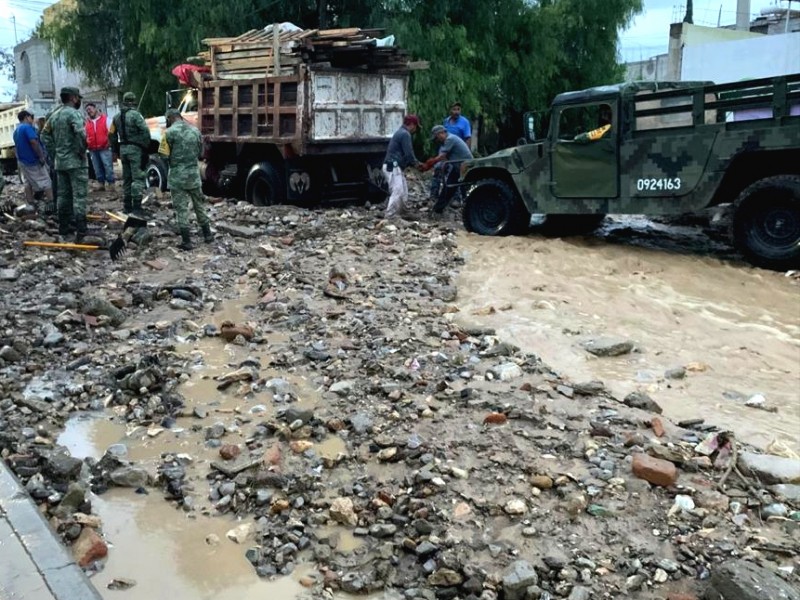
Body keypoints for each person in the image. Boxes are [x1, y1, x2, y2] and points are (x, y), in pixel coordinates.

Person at [158, 108, 213, 250]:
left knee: (181, 208)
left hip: (177, 177)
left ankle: (187, 241)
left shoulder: (169, 133)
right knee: (199, 205)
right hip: (194, 175)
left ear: (170, 118)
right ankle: (208, 235)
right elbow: (201, 153)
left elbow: (163, 155)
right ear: (180, 117)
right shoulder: (195, 131)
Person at [40, 87, 89, 240]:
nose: (79, 100)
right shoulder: (74, 114)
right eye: (78, 98)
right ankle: (81, 230)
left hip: (60, 163)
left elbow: (44, 135)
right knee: (79, 195)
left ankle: (63, 228)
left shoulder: (54, 115)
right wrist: (81, 150)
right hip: (76, 162)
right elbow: (81, 133)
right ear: (73, 98)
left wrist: (55, 153)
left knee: (63, 195)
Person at [109, 91, 150, 214]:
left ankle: (127, 206)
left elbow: (111, 134)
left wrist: (115, 150)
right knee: (137, 178)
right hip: (135, 150)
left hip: (123, 150)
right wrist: (145, 147)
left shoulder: (116, 117)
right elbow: (145, 131)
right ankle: (137, 207)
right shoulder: (136, 115)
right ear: (133, 102)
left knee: (127, 178)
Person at [420, 125, 473, 216]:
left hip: (465, 167)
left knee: (463, 190)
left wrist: (428, 165)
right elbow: (446, 157)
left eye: (436, 138)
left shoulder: (450, 139)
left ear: (441, 133)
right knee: (449, 188)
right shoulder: (449, 140)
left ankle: (470, 213)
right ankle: (437, 210)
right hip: (459, 166)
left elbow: (441, 156)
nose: (437, 140)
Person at [382, 114, 422, 220]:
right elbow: (409, 153)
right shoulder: (405, 134)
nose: (415, 130)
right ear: (412, 125)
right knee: (398, 190)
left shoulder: (400, 132)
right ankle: (390, 216)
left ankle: (403, 212)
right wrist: (417, 164)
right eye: (416, 127)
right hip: (393, 165)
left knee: (403, 190)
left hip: (393, 165)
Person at [430, 102, 472, 201]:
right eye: (454, 109)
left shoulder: (464, 122)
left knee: (454, 173)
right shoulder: (446, 122)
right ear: (450, 110)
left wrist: (465, 154)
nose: (456, 112)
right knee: (438, 168)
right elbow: (441, 137)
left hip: (456, 151)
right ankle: (434, 194)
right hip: (446, 149)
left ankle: (456, 198)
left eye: (458, 109)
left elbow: (468, 138)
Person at [13, 109, 54, 210]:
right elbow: (33, 142)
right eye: (32, 117)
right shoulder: (27, 128)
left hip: (23, 161)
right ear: (27, 117)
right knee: (46, 181)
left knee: (28, 182)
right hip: (33, 161)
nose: (33, 119)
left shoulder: (16, 130)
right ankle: (51, 204)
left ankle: (30, 204)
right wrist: (41, 156)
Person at [85, 102, 115, 190]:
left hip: (105, 148)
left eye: (90, 109)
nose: (89, 111)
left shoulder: (106, 120)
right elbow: (85, 135)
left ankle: (111, 183)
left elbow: (112, 132)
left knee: (108, 166)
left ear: (95, 109)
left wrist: (110, 143)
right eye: (87, 110)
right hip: (93, 149)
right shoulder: (87, 123)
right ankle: (101, 183)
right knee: (97, 167)